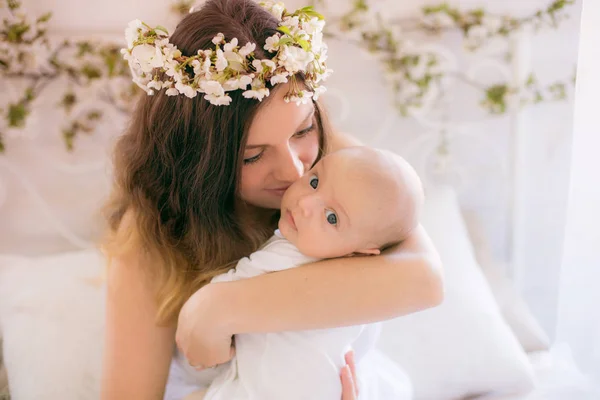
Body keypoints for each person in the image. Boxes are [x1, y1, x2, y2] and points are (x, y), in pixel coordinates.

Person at [100, 1, 444, 399]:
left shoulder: (338, 169)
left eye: (302, 131)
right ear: (196, 160)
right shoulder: (148, 240)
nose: (295, 173)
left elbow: (426, 281)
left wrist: (216, 306)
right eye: (252, 155)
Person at [182, 146, 422, 400]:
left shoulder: (287, 258)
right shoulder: (364, 283)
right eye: (315, 182)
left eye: (331, 218)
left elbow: (222, 295)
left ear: (364, 250)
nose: (305, 203)